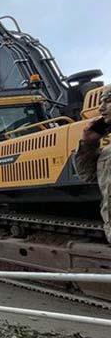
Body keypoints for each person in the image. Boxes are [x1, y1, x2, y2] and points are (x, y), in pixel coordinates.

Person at [74, 85, 111, 242]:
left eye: (108, 101)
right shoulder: (106, 152)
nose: (101, 108)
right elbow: (88, 176)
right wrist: (87, 144)